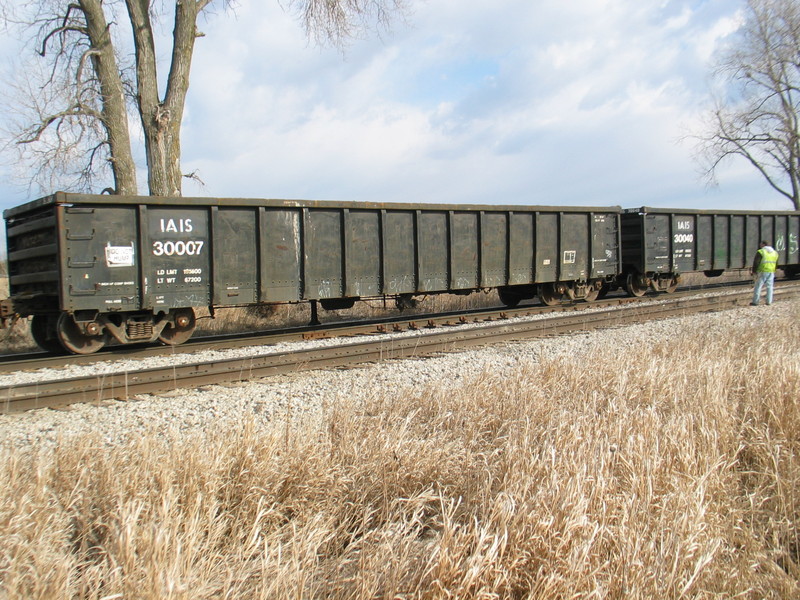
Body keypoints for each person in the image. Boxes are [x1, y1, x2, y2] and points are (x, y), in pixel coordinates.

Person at [751, 241, 779, 305]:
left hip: (762, 271)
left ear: (763, 244)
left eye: (760, 244)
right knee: (769, 287)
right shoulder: (775, 253)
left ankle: (755, 302)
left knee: (758, 286)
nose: (760, 245)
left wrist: (754, 271)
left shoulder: (761, 252)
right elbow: (776, 263)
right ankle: (769, 301)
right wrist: (774, 270)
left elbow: (756, 262)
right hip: (771, 271)